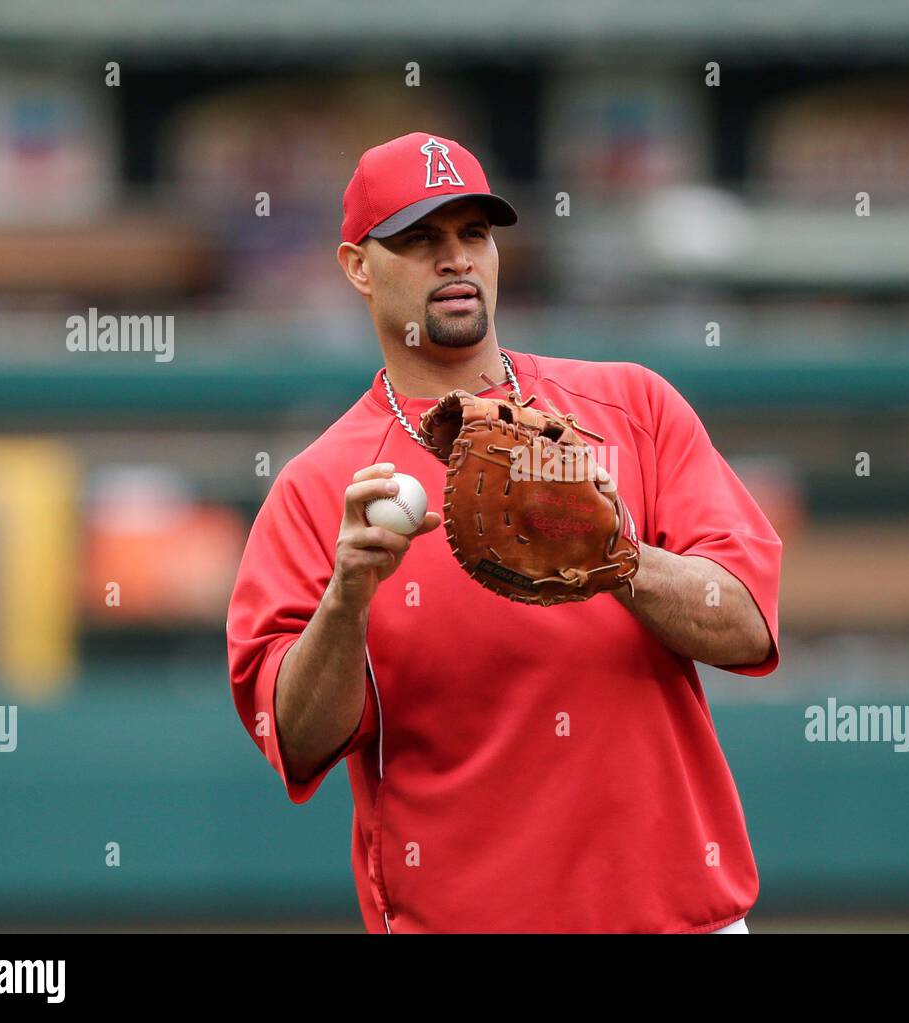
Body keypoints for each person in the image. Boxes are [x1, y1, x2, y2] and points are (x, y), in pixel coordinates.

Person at [226, 131, 782, 933]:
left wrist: (614, 558)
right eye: (419, 238)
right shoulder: (319, 489)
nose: (455, 258)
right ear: (357, 265)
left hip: (683, 921)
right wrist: (347, 599)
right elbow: (298, 740)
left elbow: (745, 625)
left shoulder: (633, 406)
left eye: (473, 234)